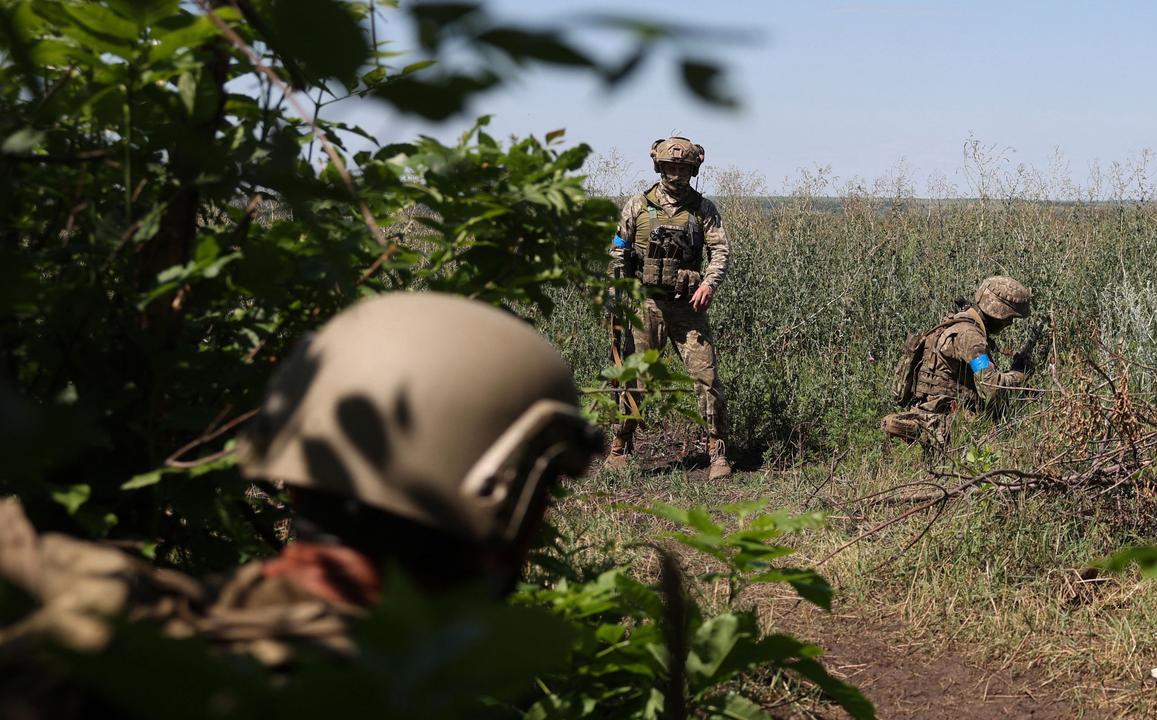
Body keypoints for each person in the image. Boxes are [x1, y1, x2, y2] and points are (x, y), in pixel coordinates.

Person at [0, 292, 601, 668]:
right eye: (542, 492)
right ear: (507, 510)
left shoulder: (67, 594)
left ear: (294, 474)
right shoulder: (371, 691)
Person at [606, 136, 733, 480]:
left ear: (693, 169)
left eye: (683, 167)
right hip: (645, 306)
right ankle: (620, 444)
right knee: (635, 378)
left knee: (706, 378)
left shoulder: (702, 209)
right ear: (659, 166)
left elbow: (720, 251)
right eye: (670, 166)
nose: (676, 173)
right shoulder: (638, 206)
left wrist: (708, 284)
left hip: (686, 309)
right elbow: (618, 250)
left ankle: (716, 450)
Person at [881, 276, 1034, 451]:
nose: (1010, 323)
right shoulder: (971, 338)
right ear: (999, 312)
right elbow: (992, 388)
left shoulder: (951, 324)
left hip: (927, 412)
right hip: (951, 428)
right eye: (1010, 317)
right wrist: (1020, 373)